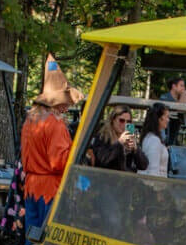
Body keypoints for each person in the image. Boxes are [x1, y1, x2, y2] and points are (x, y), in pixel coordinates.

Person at [21, 54, 83, 232]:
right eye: (66, 101)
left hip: (32, 186)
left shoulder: (30, 121)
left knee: (31, 238)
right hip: (51, 189)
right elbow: (58, 163)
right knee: (49, 242)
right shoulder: (55, 123)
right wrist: (78, 151)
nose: (68, 105)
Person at [86, 105, 146, 172]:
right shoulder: (103, 137)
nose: (124, 124)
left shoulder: (129, 138)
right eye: (121, 120)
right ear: (113, 120)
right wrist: (119, 143)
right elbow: (102, 160)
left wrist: (136, 149)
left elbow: (143, 166)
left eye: (128, 122)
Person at [139, 102, 170, 177]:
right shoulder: (154, 140)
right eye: (167, 117)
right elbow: (153, 170)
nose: (168, 120)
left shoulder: (150, 137)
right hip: (155, 186)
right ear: (159, 118)